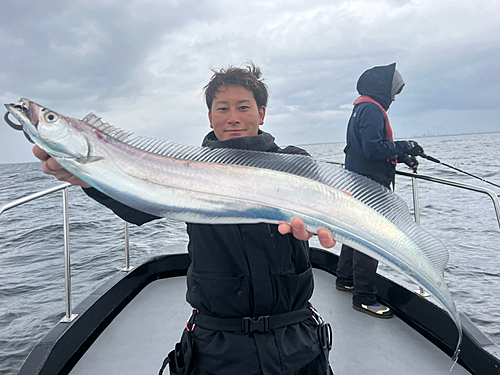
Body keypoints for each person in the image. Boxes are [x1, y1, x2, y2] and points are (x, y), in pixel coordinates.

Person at [33, 63, 336, 375]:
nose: (233, 117)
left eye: (243, 107)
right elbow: (137, 203)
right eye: (223, 108)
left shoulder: (294, 163)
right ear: (210, 116)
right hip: (218, 343)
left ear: (261, 114)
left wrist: (327, 221)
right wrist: (90, 179)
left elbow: (328, 210)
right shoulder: (185, 171)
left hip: (296, 336)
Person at [336, 63, 424, 319]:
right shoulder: (372, 111)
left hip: (359, 180)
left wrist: (403, 155)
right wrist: (406, 145)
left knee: (356, 232)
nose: (394, 98)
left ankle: (345, 279)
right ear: (383, 89)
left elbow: (368, 148)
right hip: (369, 185)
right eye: (393, 91)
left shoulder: (361, 109)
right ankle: (364, 297)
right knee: (370, 238)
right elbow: (374, 150)